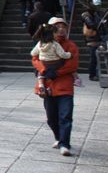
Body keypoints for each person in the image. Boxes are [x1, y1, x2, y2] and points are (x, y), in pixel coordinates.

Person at [32, 16, 79, 156]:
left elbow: (72, 64)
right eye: (57, 26)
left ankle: (65, 144)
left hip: (64, 85)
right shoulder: (42, 43)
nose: (61, 29)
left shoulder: (71, 45)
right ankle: (58, 138)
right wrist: (44, 70)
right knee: (51, 118)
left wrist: (57, 72)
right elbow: (34, 58)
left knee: (65, 116)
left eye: (63, 26)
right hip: (47, 85)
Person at [31, 23, 72, 97]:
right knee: (57, 70)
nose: (57, 34)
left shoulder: (40, 43)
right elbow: (62, 54)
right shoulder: (55, 44)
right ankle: (50, 90)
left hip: (44, 64)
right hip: (55, 64)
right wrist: (69, 54)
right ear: (52, 34)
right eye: (56, 33)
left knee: (40, 73)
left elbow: (33, 53)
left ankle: (41, 85)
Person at [81, 0, 105, 81]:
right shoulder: (85, 15)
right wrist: (99, 23)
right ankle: (92, 75)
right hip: (90, 39)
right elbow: (91, 25)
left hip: (97, 37)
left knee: (98, 57)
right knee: (93, 58)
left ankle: (97, 73)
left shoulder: (95, 14)